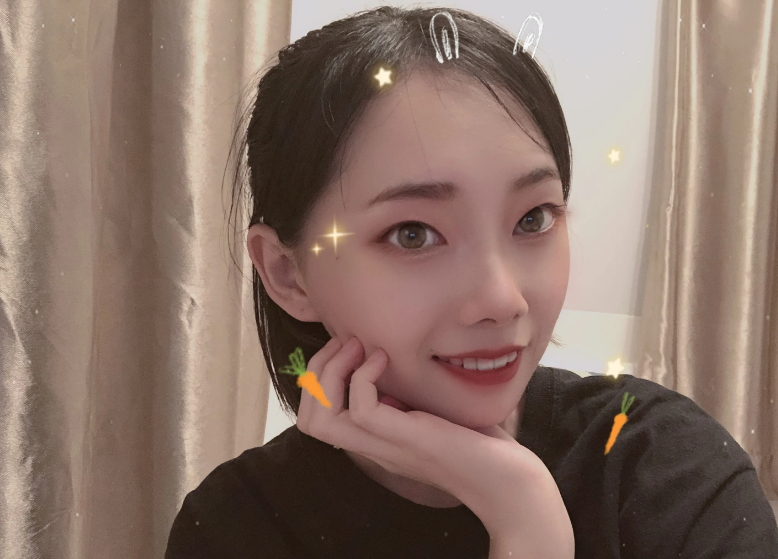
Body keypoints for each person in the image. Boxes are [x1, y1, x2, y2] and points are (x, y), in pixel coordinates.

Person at [165, 6, 778, 559]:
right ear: (287, 273)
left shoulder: (661, 465)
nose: (502, 300)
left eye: (533, 219)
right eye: (412, 234)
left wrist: (523, 506)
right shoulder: (237, 528)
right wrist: (524, 524)